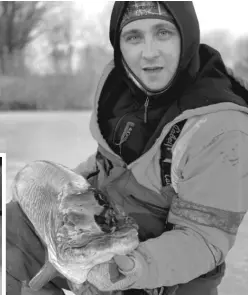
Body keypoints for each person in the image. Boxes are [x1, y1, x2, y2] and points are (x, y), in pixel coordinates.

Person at [6, 1, 248, 295]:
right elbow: (106, 164)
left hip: (166, 271)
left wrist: (132, 269)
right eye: (134, 37)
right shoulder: (122, 89)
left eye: (163, 33)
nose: (149, 52)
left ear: (187, 37)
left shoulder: (221, 126)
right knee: (11, 227)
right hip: (105, 232)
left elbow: (204, 239)